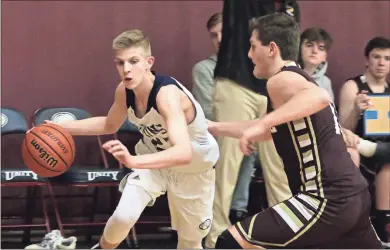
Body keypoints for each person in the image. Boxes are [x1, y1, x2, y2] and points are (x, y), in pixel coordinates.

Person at [208, 13, 381, 248]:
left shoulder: (281, 80)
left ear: (271, 49)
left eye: (252, 46)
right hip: (353, 195)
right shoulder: (296, 79)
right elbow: (272, 128)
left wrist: (260, 125)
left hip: (325, 198)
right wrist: (212, 127)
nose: (249, 55)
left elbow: (318, 97)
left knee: (232, 242)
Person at [45, 29, 219, 249]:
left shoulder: (167, 95)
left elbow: (183, 153)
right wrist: (61, 128)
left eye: (133, 61)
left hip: (193, 168)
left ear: (149, 62)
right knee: (123, 217)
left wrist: (133, 161)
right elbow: (109, 124)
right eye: (120, 63)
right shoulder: (124, 90)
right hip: (153, 162)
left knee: (190, 243)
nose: (126, 69)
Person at [205, 1, 298, 247]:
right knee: (226, 166)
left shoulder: (290, 6)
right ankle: (215, 238)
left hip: (274, 87)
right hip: (237, 82)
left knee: (280, 167)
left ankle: (285, 236)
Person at [192, 12, 258, 226]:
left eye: (224, 33)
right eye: (214, 35)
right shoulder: (204, 69)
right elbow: (207, 113)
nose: (219, 39)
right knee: (241, 143)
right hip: (219, 133)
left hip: (257, 131)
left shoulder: (255, 65)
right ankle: (234, 212)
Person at [338, 36, 390, 247]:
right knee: (353, 150)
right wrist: (357, 111)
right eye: (376, 57)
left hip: (384, 151)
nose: (381, 63)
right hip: (358, 145)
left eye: (387, 58)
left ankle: (383, 232)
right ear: (367, 60)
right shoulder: (353, 86)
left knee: (387, 166)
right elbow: (343, 130)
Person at [298, 27, 335, 102]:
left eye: (321, 48)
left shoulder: (325, 83)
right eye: (309, 45)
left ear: (325, 56)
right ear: (299, 48)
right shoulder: (288, 74)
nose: (314, 51)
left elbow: (329, 112)